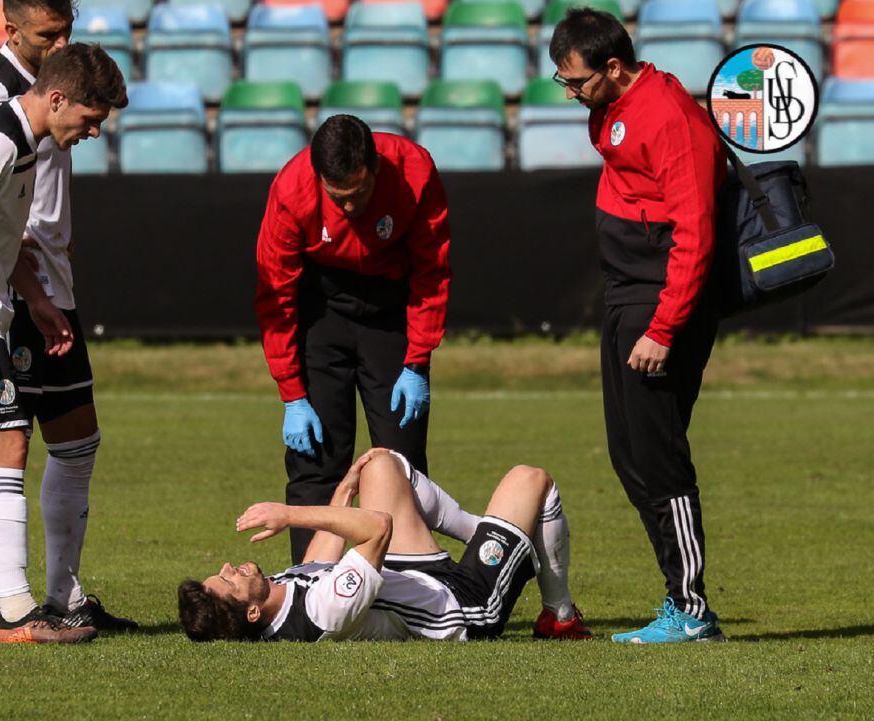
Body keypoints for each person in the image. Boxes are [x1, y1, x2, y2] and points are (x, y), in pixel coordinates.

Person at [0, 0, 136, 632]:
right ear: (12, 30)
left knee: (34, 443)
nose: (60, 39)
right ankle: (11, 606)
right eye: (47, 33)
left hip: (24, 288)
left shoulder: (36, 117)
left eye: (66, 30)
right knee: (1, 444)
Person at [550, 9, 727, 643]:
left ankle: (693, 608)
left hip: (659, 303)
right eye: (561, 82)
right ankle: (679, 602)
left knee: (659, 456)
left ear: (615, 68)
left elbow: (697, 231)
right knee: (630, 456)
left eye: (577, 82)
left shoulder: (669, 117)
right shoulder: (617, 105)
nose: (570, 94)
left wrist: (665, 326)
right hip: (628, 294)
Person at [255, 115, 452, 564]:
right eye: (336, 196)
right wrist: (292, 394)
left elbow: (431, 271)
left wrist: (416, 361)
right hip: (320, 310)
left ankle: (409, 587)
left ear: (376, 168)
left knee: (400, 461)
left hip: (390, 313)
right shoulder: (291, 190)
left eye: (358, 194)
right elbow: (275, 298)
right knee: (317, 458)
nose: (347, 208)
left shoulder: (415, 171)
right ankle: (310, 583)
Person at [178, 449, 591, 642]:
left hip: (413, 575)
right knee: (531, 479)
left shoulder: (276, 596)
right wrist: (289, 514)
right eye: (230, 581)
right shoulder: (324, 614)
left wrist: (341, 494)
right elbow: (378, 527)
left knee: (378, 464)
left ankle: (495, 536)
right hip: (463, 606)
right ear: (251, 612)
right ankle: (561, 615)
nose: (232, 566)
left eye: (224, 570)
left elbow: (317, 565)